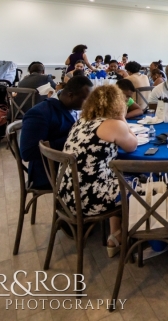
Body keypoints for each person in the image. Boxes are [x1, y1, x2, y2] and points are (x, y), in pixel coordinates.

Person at [58, 84, 139, 257]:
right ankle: (137, 237)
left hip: (66, 195)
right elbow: (133, 145)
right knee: (143, 182)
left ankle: (114, 235)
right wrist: (122, 118)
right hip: (89, 200)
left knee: (116, 177)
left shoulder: (82, 122)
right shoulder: (113, 125)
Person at [20, 75, 93, 190]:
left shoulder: (72, 108)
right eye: (86, 100)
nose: (89, 104)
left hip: (69, 164)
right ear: (70, 95)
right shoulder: (39, 113)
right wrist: (75, 138)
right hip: (48, 172)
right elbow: (28, 152)